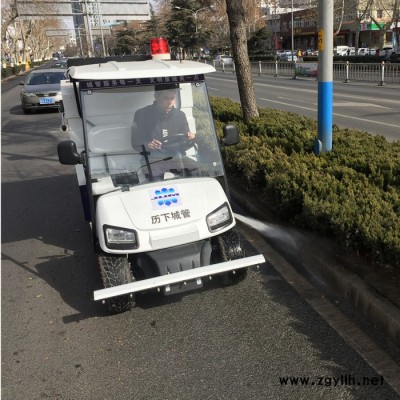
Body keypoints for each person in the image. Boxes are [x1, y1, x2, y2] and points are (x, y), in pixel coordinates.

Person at [132, 83, 195, 152]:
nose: (170, 102)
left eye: (172, 98)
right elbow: (136, 143)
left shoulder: (180, 115)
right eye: (166, 98)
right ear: (156, 97)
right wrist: (148, 145)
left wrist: (190, 138)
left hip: (177, 158)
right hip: (153, 159)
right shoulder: (142, 114)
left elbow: (184, 141)